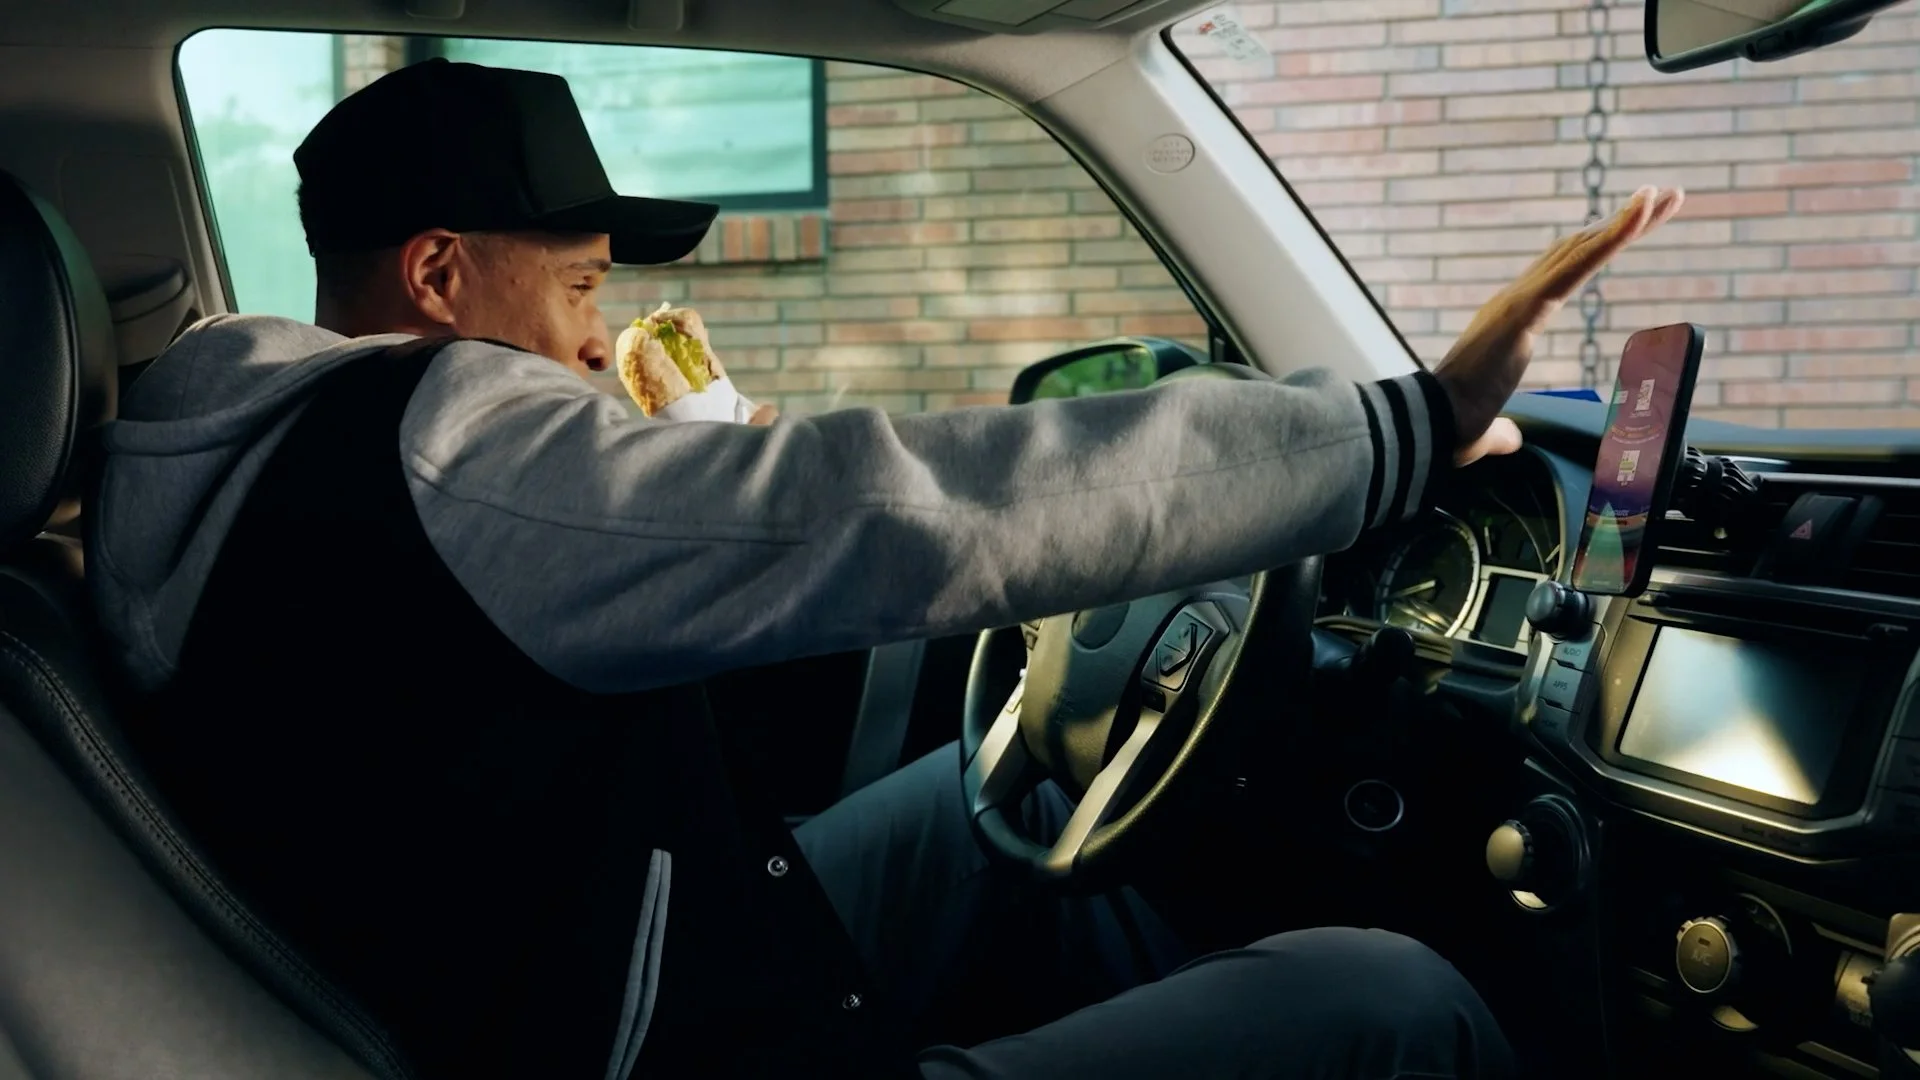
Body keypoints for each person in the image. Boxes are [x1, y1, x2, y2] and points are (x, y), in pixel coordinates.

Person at [87, 57, 1682, 1080]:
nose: (594, 339)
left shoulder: (253, 451)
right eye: (580, 286)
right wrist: (1404, 429)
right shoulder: (446, 440)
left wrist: (699, 501)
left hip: (586, 972)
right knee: (1388, 1001)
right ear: (439, 274)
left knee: (1004, 809)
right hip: (668, 1049)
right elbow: (901, 511)